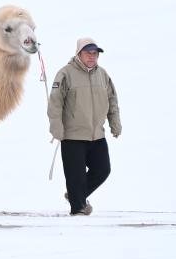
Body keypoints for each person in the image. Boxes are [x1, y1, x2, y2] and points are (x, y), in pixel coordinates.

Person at [47, 37, 122, 216]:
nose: (92, 56)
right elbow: (55, 103)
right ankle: (78, 208)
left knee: (103, 169)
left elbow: (112, 101)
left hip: (97, 135)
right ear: (78, 53)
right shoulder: (65, 73)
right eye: (88, 52)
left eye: (95, 53)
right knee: (76, 178)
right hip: (72, 136)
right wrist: (56, 127)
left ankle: (75, 196)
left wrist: (115, 124)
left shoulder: (102, 74)